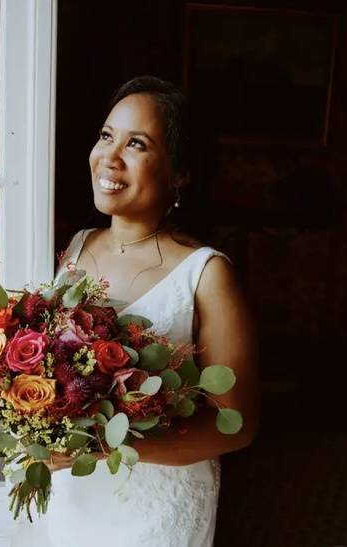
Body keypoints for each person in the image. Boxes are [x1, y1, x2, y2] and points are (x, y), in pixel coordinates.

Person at [19, 76, 260, 547]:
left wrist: (108, 443)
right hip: (76, 497)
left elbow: (239, 425)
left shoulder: (205, 274)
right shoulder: (71, 249)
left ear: (179, 173)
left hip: (156, 508)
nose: (110, 157)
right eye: (107, 136)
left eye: (136, 144)